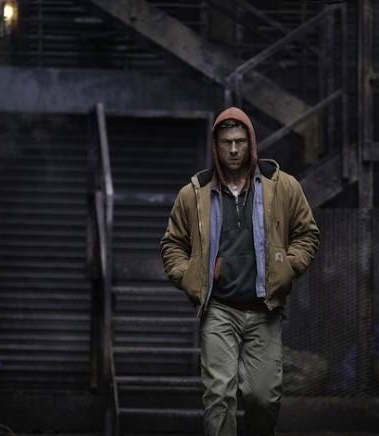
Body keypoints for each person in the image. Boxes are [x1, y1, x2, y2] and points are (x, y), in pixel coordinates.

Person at [160, 107, 320, 436]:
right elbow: (172, 244)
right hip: (219, 310)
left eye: (240, 142)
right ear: (215, 146)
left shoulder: (282, 186)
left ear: (251, 144)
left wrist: (288, 267)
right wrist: (188, 276)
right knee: (218, 396)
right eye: (226, 142)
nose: (233, 149)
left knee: (262, 397)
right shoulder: (194, 194)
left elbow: (307, 234)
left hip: (264, 310)